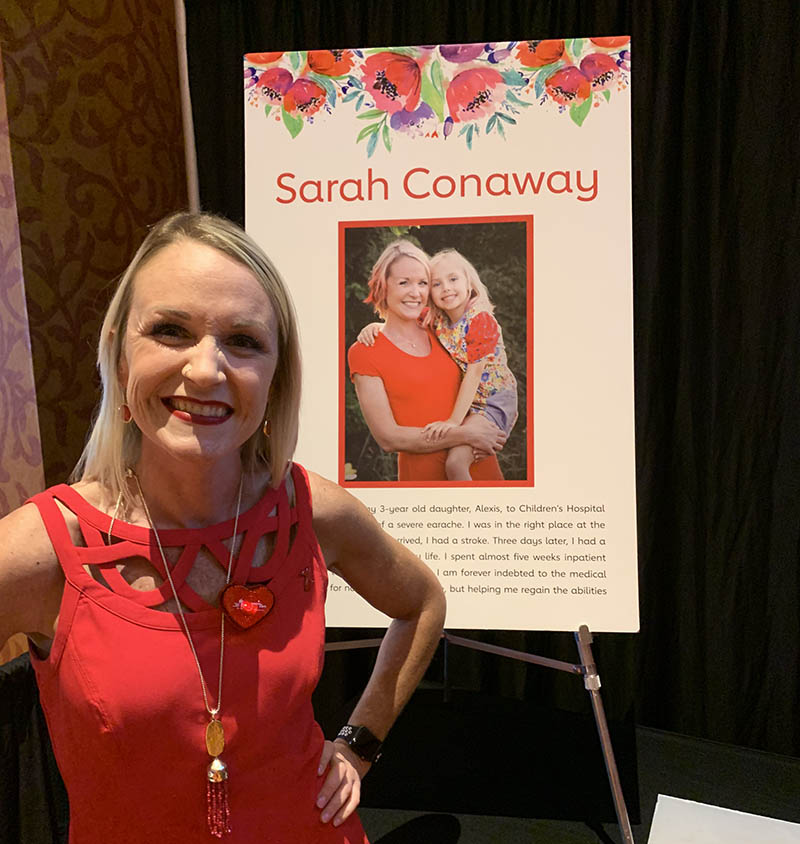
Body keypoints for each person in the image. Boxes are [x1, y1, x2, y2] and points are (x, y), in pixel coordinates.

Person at [0, 213, 446, 843]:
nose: (207, 370)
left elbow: (421, 602)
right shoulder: (45, 549)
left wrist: (359, 741)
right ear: (119, 354)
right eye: (170, 330)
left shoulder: (310, 511)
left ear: (275, 376)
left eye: (243, 341)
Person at [347, 240, 506, 483]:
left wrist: (473, 434)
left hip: (480, 466)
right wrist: (465, 434)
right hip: (425, 479)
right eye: (404, 283)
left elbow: (482, 373)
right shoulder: (365, 351)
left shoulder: (442, 330)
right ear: (382, 287)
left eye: (423, 283)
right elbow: (389, 438)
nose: (416, 292)